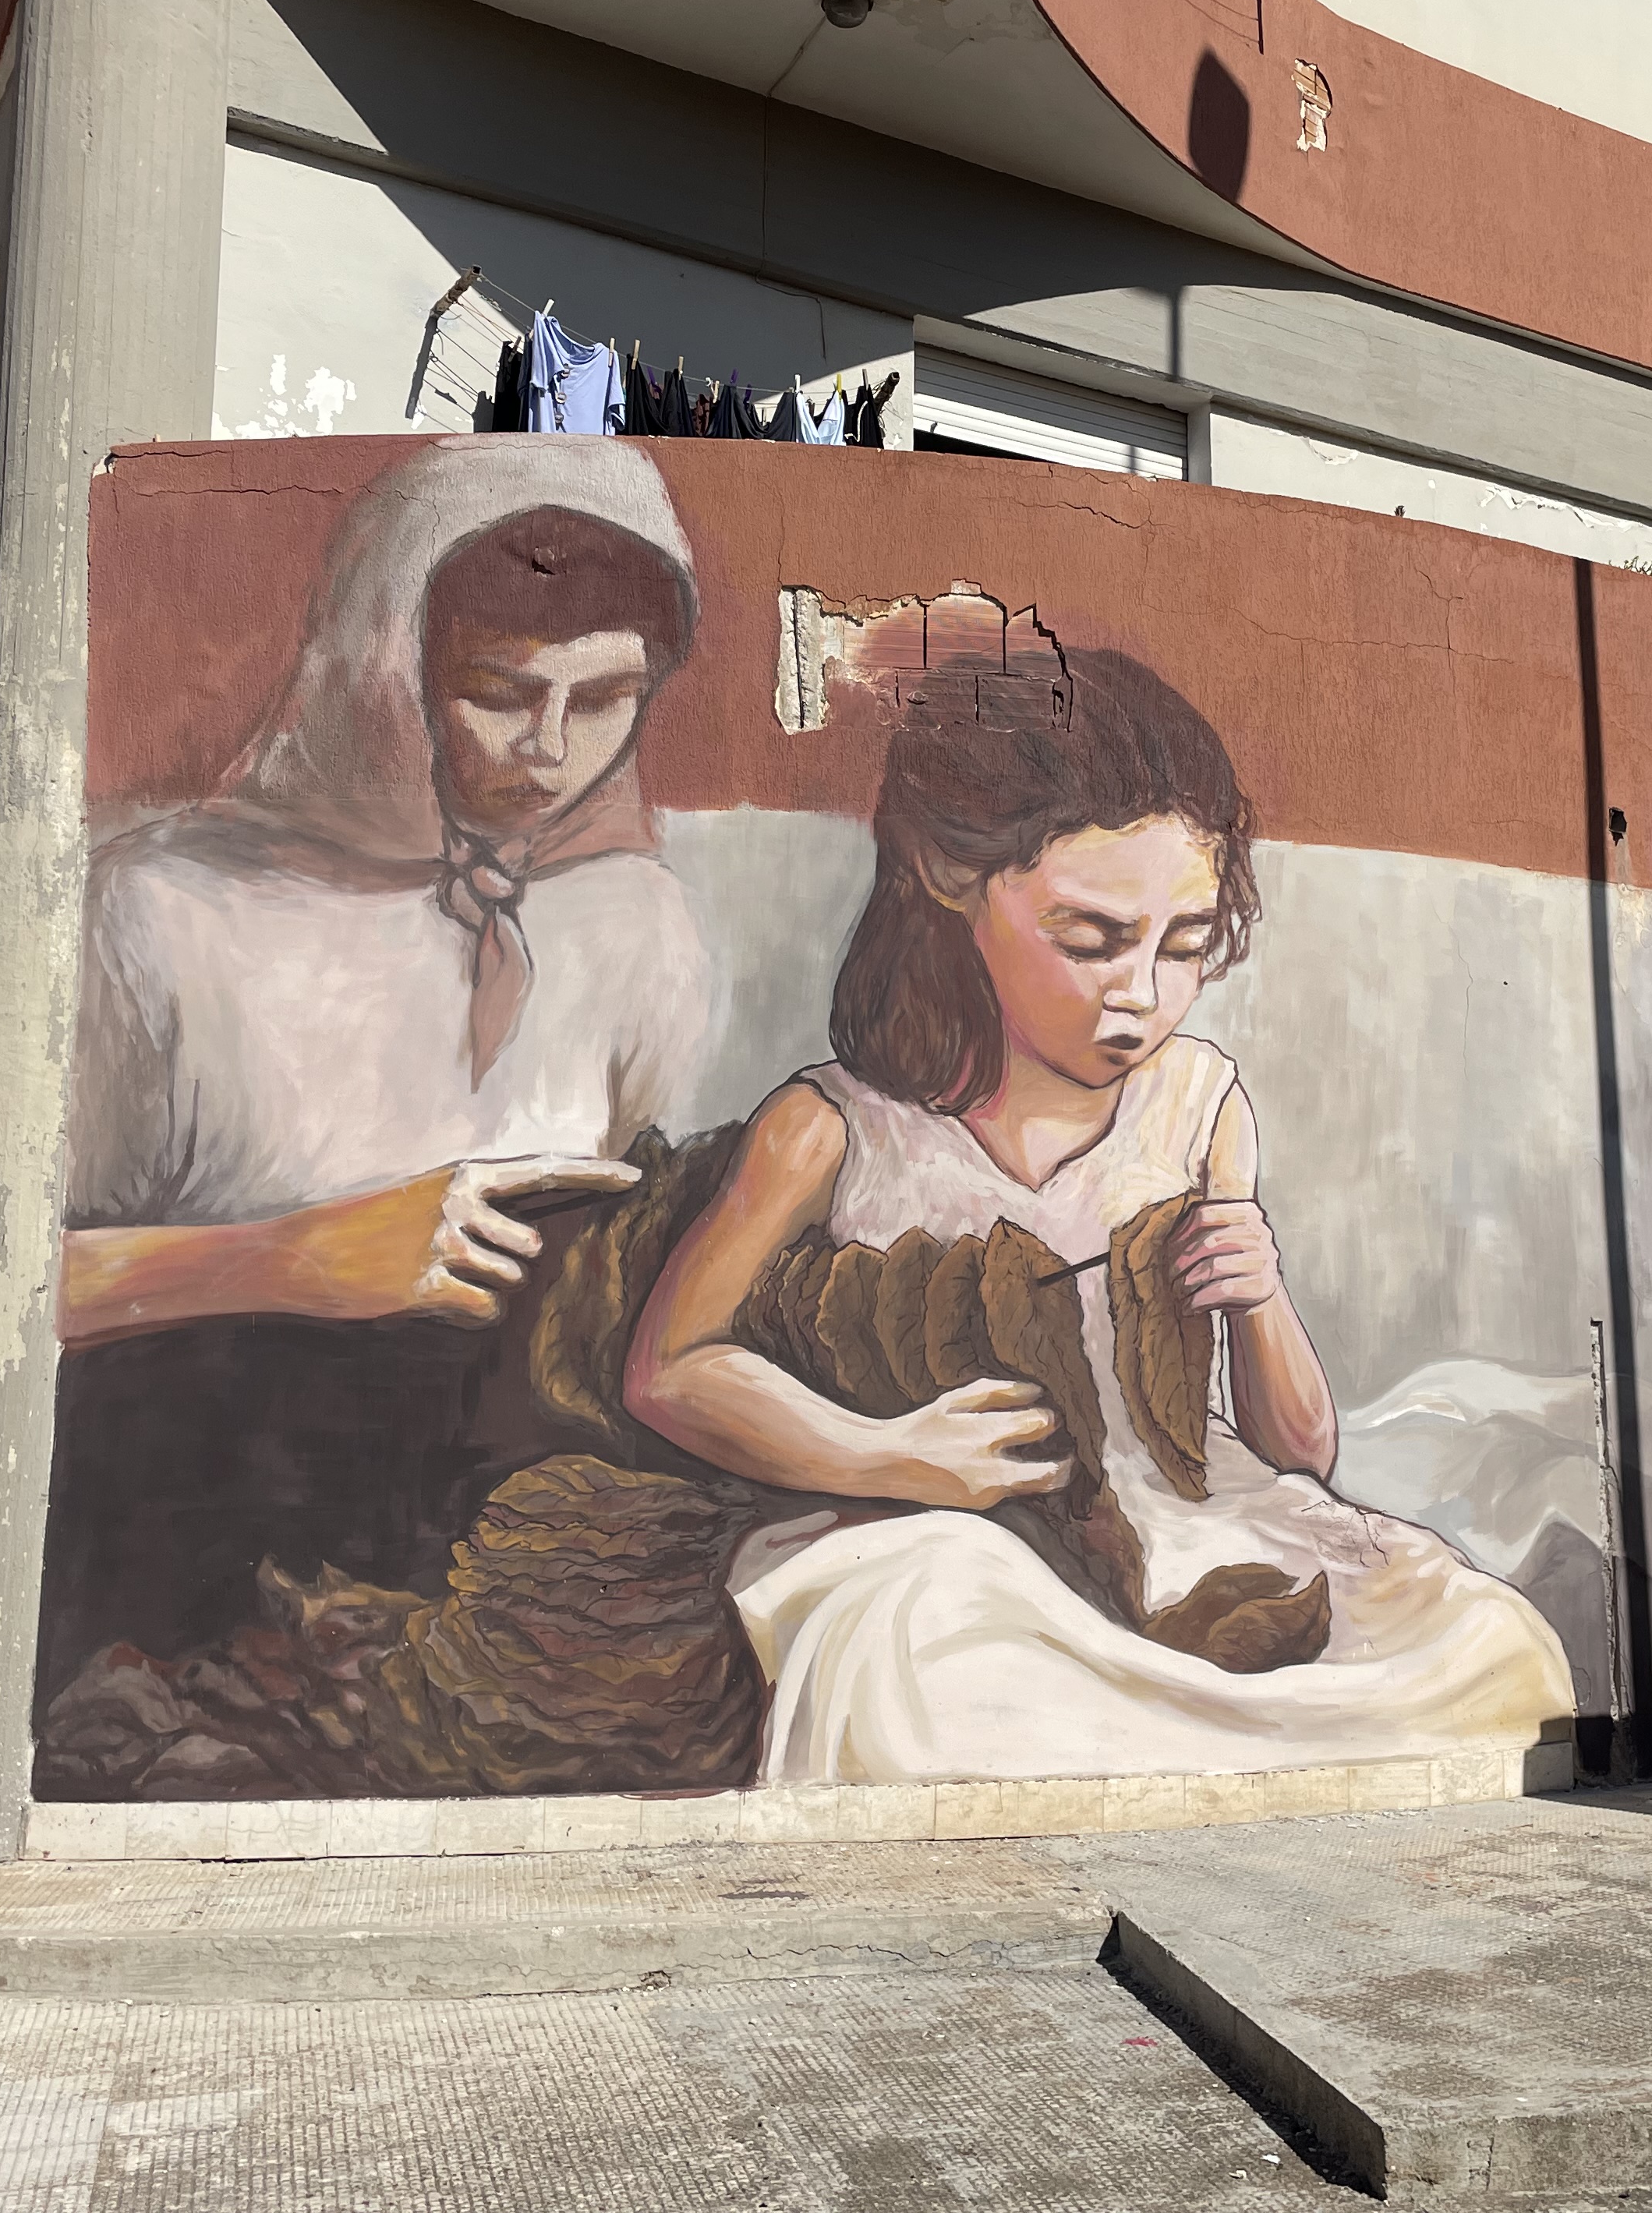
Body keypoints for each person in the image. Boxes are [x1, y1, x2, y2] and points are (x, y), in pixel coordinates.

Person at [624, 647, 1576, 1785]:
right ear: (947, 873)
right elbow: (671, 1367)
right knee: (910, 1679)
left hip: (1197, 1519)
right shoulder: (835, 1128)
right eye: (1091, 940)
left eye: (1185, 946)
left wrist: (1258, 1293)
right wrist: (888, 1456)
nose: (1142, 996)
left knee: (1493, 1650)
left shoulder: (1198, 1104)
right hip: (956, 1539)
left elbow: (1300, 1448)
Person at [35, 439, 720, 1695]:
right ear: (383, 662)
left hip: (495, 1570)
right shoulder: (161, 908)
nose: (552, 750)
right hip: (194, 1556)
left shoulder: (637, 924)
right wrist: (293, 1258)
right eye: (499, 691)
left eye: (607, 698)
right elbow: (24, 1292)